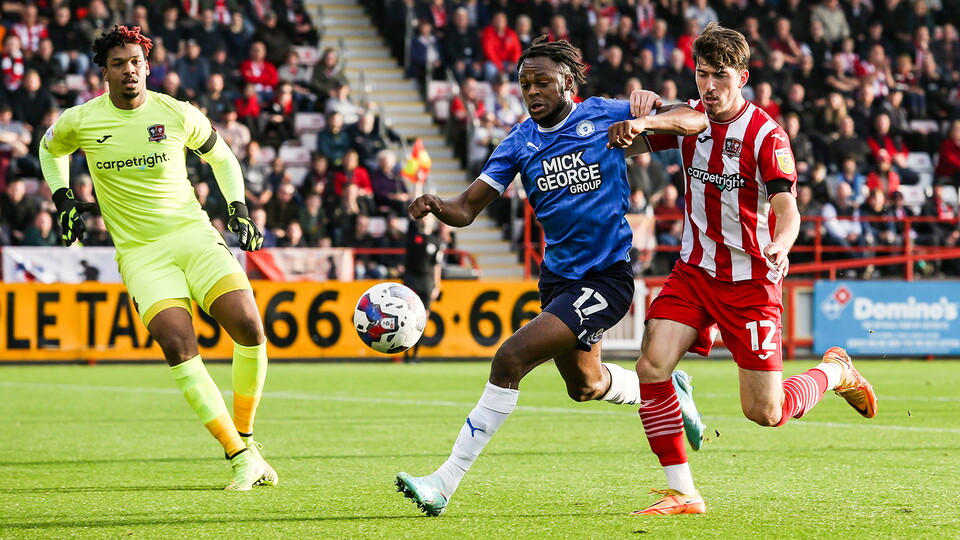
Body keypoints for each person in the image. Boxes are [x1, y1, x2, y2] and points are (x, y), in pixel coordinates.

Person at [394, 36, 709, 517]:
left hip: (607, 278)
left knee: (510, 358)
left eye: (542, 81)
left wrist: (645, 119)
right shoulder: (519, 142)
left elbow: (696, 118)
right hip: (559, 280)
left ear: (568, 81)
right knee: (584, 386)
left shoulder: (603, 113)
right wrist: (438, 204)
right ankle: (668, 389)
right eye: (524, 84)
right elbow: (467, 209)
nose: (533, 91)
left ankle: (444, 482)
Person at [624, 23, 878, 516]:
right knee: (652, 366)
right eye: (702, 75)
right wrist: (639, 112)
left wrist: (781, 245)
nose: (710, 86)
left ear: (742, 77)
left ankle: (834, 371)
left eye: (720, 75)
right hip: (695, 270)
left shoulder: (766, 135)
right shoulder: (688, 119)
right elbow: (629, 143)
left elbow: (788, 209)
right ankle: (684, 492)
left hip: (751, 282)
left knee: (765, 412)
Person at [38, 26, 278, 491]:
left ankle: (247, 439)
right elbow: (50, 148)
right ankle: (237, 456)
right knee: (176, 343)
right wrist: (63, 198)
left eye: (135, 61)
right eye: (118, 63)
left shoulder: (177, 112)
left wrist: (238, 208)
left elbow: (224, 158)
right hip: (142, 254)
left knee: (249, 326)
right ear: (104, 72)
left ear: (147, 65)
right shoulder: (81, 120)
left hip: (193, 236)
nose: (128, 69)